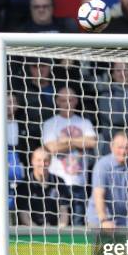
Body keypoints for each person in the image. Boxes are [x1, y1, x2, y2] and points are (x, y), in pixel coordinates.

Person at [42, 86, 97, 225]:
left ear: (76, 101)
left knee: (79, 222)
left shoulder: (84, 122)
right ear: (57, 102)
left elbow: (92, 142)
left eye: (70, 100)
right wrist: (79, 142)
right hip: (58, 181)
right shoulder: (50, 123)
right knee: (59, 222)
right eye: (62, 100)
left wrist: (67, 140)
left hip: (80, 180)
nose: (67, 103)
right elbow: (52, 148)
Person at [16, 147, 70, 226]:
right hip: (32, 232)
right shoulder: (24, 184)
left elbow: (64, 211)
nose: (42, 164)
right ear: (32, 161)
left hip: (55, 231)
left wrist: (59, 231)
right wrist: (39, 233)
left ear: (50, 162)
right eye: (39, 160)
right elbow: (24, 215)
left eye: (46, 160)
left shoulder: (59, 182)